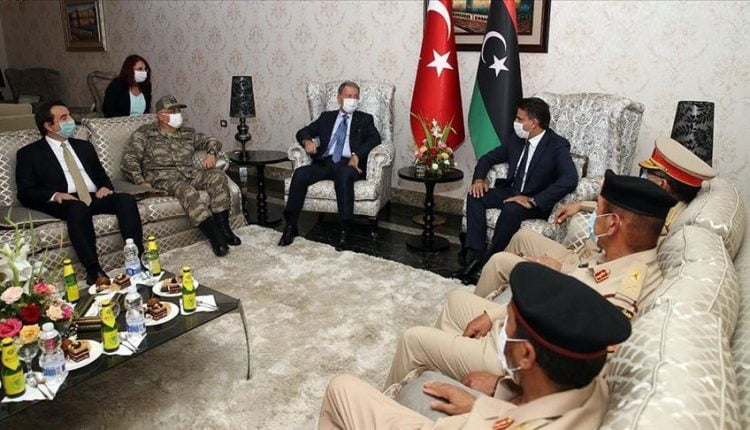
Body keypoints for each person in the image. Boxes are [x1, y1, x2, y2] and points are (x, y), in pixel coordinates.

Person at [385, 170, 674, 388]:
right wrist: (494, 315)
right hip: (513, 333)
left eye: (597, 211)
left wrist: (502, 386)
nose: (592, 216)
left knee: (413, 340)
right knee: (456, 301)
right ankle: (435, 373)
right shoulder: (617, 257)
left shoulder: (625, 290)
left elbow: (571, 371)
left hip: (513, 356)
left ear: (612, 224)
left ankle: (401, 396)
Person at [319, 262, 631, 430]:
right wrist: (487, 400)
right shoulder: (593, 390)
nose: (501, 330)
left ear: (526, 354)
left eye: (507, 325)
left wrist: (479, 412)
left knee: (342, 388)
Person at [505, 136, 717, 295]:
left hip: (586, 267)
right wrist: (582, 205)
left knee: (501, 262)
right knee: (523, 236)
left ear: (662, 184)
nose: (642, 178)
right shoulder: (660, 205)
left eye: (647, 174)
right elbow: (621, 209)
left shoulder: (661, 220)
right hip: (585, 260)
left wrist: (561, 269)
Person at [16, 101, 145, 285]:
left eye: (69, 115)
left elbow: (101, 175)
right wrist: (54, 195)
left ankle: (137, 258)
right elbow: (25, 192)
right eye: (64, 118)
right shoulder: (29, 153)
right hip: (64, 200)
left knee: (125, 199)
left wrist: (105, 187)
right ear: (48, 126)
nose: (70, 120)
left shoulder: (84, 146)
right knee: (78, 208)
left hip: (93, 196)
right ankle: (94, 271)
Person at [454, 97, 578, 283]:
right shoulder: (517, 140)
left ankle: (490, 262)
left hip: (535, 201)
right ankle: (475, 257)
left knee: (511, 210)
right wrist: (479, 180)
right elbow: (487, 158)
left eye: (519, 119)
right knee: (475, 195)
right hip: (511, 192)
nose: (515, 122)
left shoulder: (557, 145)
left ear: (533, 123)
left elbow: (570, 178)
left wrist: (534, 200)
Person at [121, 95, 240, 257]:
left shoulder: (187, 133)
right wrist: (140, 181)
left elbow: (212, 140)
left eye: (178, 110)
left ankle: (225, 229)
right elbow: (129, 159)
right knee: (186, 190)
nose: (177, 114)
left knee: (217, 176)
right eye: (172, 111)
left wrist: (211, 153)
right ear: (160, 115)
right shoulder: (145, 134)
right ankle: (215, 237)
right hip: (162, 179)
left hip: (188, 174)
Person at [278, 81, 381, 250]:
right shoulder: (326, 117)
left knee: (343, 175)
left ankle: (345, 230)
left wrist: (357, 155)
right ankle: (290, 226)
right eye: (348, 96)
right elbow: (303, 131)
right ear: (339, 98)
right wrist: (307, 141)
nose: (353, 100)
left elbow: (374, 139)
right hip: (324, 162)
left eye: (356, 97)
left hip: (348, 164)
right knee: (300, 173)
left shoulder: (365, 119)